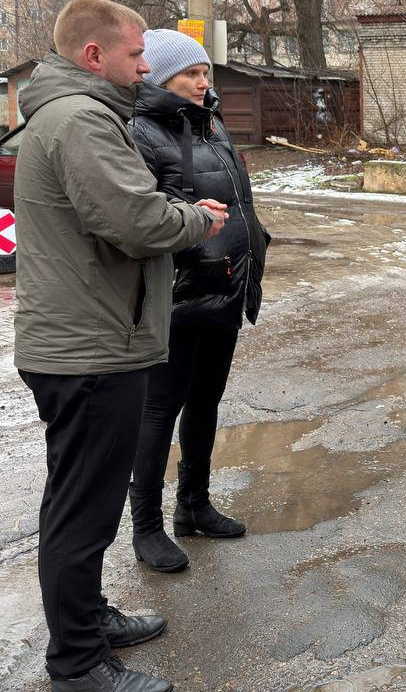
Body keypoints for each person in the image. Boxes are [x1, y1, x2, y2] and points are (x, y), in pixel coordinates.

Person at [14, 0, 226, 692]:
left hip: (88, 338)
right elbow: (135, 221)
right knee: (83, 510)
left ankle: (89, 620)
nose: (146, 67)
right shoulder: (81, 120)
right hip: (91, 346)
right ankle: (78, 663)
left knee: (79, 502)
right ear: (93, 56)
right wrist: (196, 217)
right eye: (137, 55)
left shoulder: (74, 112)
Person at [125, 30, 270, 573]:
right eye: (191, 73)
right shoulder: (140, 132)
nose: (203, 81)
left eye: (205, 72)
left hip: (226, 285)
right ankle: (147, 527)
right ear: (162, 76)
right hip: (177, 296)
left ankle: (194, 504)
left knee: (206, 403)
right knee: (159, 410)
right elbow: (139, 212)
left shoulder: (210, 123)